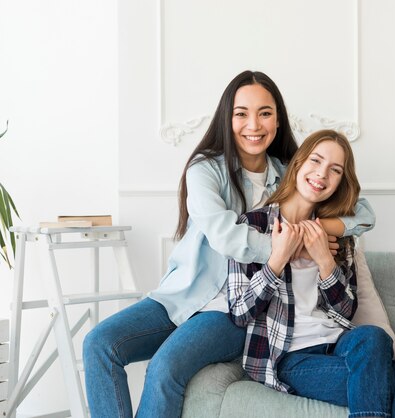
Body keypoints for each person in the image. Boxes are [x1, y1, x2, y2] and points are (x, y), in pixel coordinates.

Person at [82, 71, 376, 418]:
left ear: (278, 120)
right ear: (228, 118)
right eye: (241, 113)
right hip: (186, 294)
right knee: (99, 344)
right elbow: (226, 236)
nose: (254, 124)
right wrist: (288, 247)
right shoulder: (206, 170)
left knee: (164, 369)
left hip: (236, 309)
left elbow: (364, 212)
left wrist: (320, 226)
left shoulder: (292, 170)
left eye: (265, 113)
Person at [228, 130, 395, 418]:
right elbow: (239, 312)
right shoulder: (254, 225)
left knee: (373, 337)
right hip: (290, 357)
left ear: (339, 183)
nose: (322, 174)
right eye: (316, 161)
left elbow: (346, 312)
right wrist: (277, 259)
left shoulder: (339, 234)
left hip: (340, 346)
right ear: (298, 164)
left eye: (335, 170)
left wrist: (325, 260)